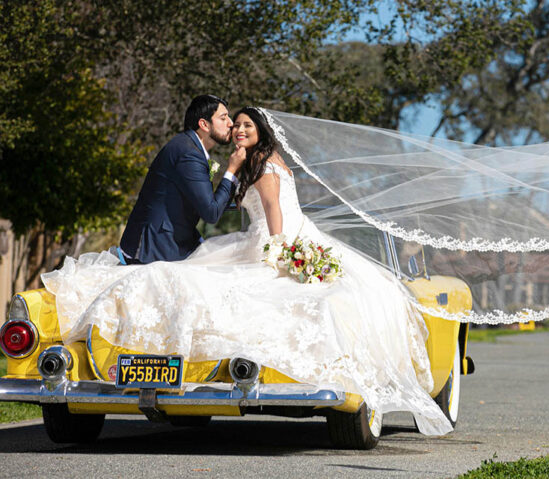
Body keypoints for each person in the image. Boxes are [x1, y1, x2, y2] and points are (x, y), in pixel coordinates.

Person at [42, 106, 453, 436]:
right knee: (187, 278)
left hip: (278, 241)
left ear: (260, 131)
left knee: (229, 286)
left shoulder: (265, 164)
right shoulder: (250, 161)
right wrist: (234, 171)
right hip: (256, 240)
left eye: (245, 125)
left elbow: (273, 212)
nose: (238, 130)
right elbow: (235, 212)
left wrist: (279, 254)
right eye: (234, 124)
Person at [119, 95, 246, 264]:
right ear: (204, 124)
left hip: (177, 239)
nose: (230, 123)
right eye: (223, 118)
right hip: (154, 248)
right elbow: (211, 212)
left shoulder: (189, 146)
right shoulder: (189, 154)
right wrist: (232, 169)